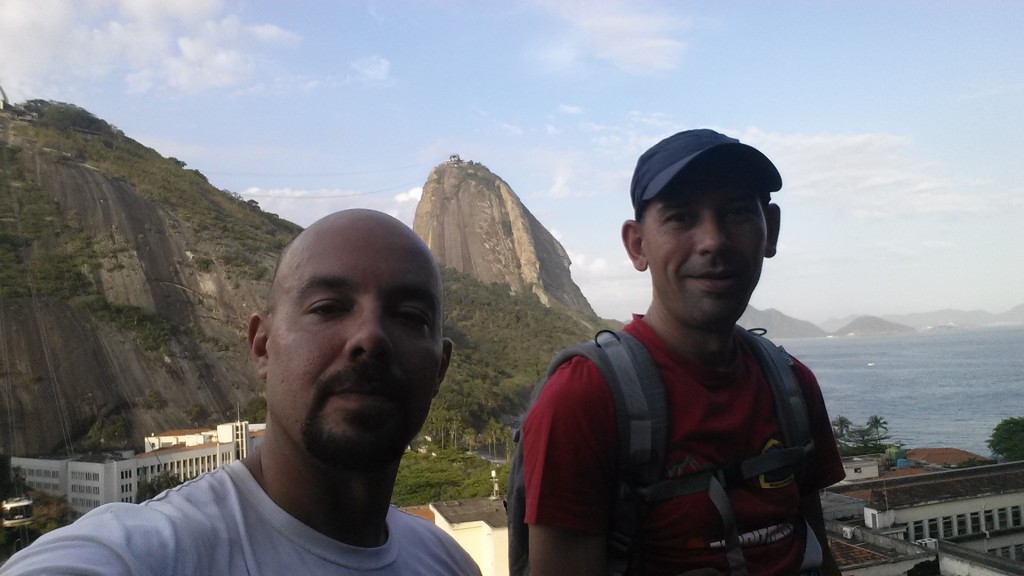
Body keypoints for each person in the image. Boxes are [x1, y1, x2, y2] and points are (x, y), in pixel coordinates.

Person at [1, 209, 480, 575]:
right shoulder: (144, 552)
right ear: (262, 346)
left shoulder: (448, 563)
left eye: (410, 315)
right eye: (328, 307)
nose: (369, 337)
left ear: (440, 368)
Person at [522, 129, 845, 575]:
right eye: (681, 217)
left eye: (735, 212)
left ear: (770, 230)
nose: (713, 240)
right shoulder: (581, 400)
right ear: (638, 245)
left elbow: (816, 554)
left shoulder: (791, 385)